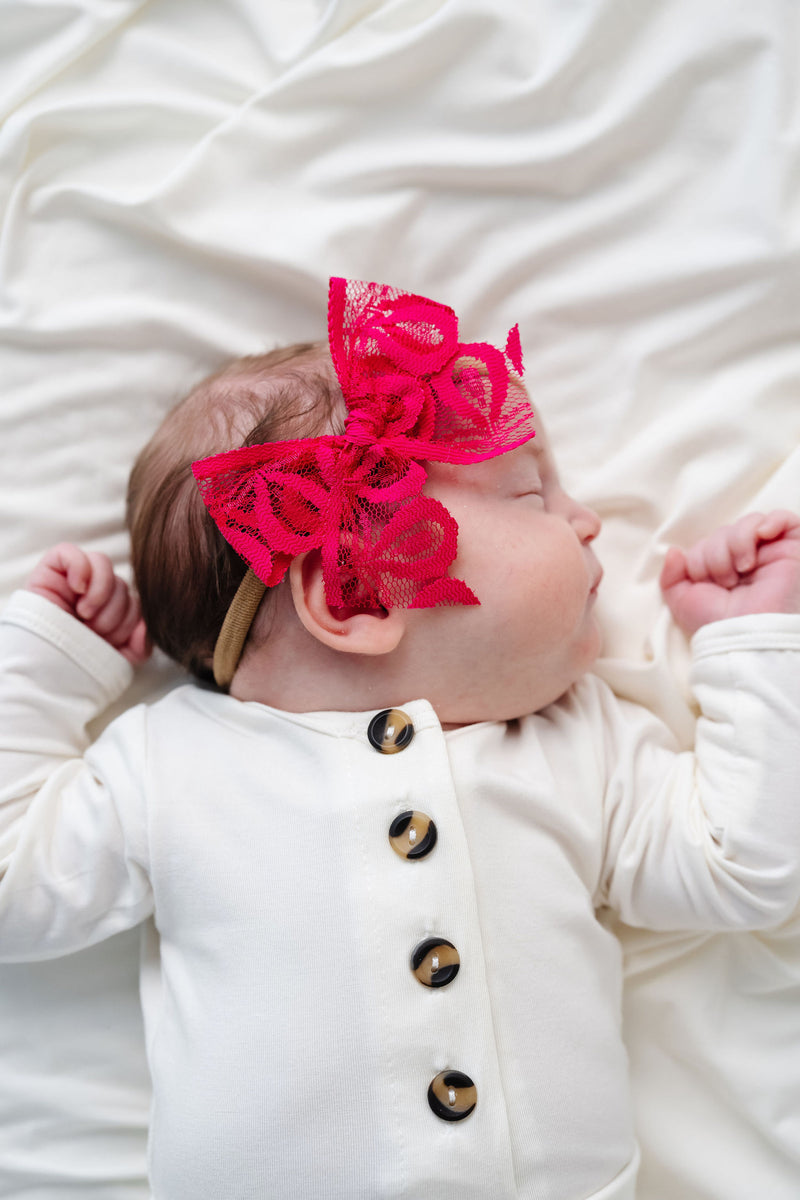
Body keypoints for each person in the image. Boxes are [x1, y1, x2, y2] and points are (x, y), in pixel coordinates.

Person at [1, 277, 799, 1200]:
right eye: (533, 495)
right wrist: (47, 667)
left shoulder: (580, 745)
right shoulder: (171, 769)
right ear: (361, 594)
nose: (586, 524)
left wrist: (749, 645)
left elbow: (745, 867)